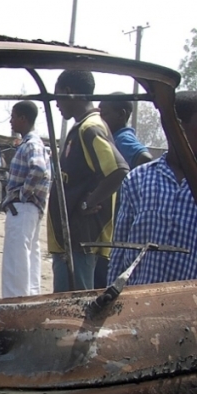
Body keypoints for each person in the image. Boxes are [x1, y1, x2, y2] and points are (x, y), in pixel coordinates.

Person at [47, 70, 129, 292]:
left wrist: (88, 202)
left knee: (73, 306)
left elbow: (119, 170)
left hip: (80, 240)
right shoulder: (81, 127)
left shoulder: (89, 128)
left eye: (57, 96)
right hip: (69, 239)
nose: (56, 104)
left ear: (69, 92)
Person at [108, 91, 197, 286]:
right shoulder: (138, 179)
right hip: (136, 305)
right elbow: (119, 249)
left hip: (189, 309)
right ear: (177, 129)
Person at [1, 101, 51, 298]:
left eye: (13, 117)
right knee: (29, 258)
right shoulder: (31, 143)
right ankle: (28, 300)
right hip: (29, 208)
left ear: (23, 118)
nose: (11, 121)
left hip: (22, 208)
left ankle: (14, 305)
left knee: (16, 261)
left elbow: (39, 170)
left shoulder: (31, 144)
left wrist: (23, 194)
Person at [99, 95, 154, 169]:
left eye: (103, 114)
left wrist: (130, 178)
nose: (99, 119)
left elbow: (146, 158)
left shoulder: (122, 138)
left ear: (121, 115)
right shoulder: (114, 138)